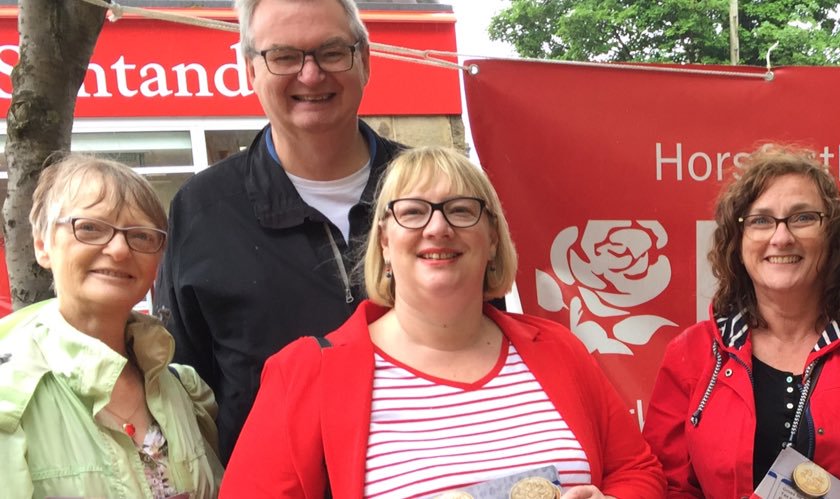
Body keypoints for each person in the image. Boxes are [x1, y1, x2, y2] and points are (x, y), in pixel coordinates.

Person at [221, 147, 662, 498]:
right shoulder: (306, 374)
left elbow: (637, 471)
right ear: (385, 242)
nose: (438, 227)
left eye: (461, 210)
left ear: (491, 239)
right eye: (413, 212)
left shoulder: (558, 349)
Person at [154, 0, 404, 461]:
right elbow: (186, 388)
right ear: (248, 69)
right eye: (284, 56)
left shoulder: (433, 192)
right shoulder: (202, 212)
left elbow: (491, 343)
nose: (310, 75)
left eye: (332, 52)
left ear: (364, 60)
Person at [643, 144, 840, 499]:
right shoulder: (691, 356)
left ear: (834, 236)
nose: (781, 237)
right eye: (760, 221)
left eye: (803, 217)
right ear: (738, 242)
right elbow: (669, 488)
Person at [0, 155, 222, 497]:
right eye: (89, 227)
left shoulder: (183, 390)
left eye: (142, 235)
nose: (119, 249)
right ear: (42, 245)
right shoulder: (8, 402)